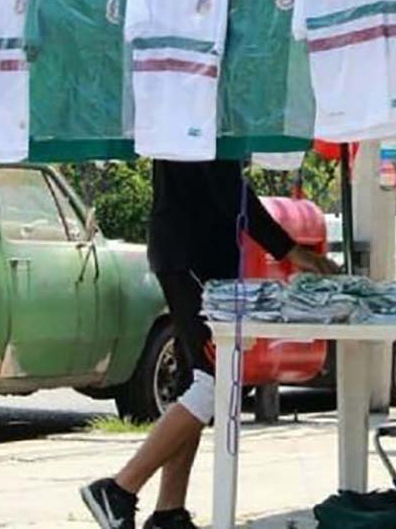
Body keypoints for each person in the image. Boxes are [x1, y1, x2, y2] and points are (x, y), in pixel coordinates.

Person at [81, 159, 337, 529]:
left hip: (191, 254)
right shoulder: (207, 111)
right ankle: (119, 488)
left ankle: (169, 510)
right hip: (192, 257)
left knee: (194, 383)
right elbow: (230, 191)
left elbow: (231, 188)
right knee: (214, 381)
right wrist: (288, 249)